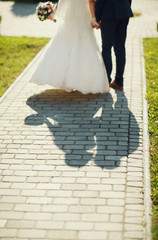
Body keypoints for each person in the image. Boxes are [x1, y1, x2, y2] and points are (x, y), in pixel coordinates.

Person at [29, 0, 109, 94]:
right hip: (82, 16)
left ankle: (68, 81)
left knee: (65, 44)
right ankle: (75, 81)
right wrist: (93, 18)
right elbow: (91, 1)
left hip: (71, 17)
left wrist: (53, 12)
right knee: (83, 47)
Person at [95, 0, 133, 90]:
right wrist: (126, 7)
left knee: (106, 47)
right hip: (124, 12)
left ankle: (106, 81)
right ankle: (119, 82)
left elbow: (100, 1)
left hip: (108, 14)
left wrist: (97, 18)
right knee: (120, 48)